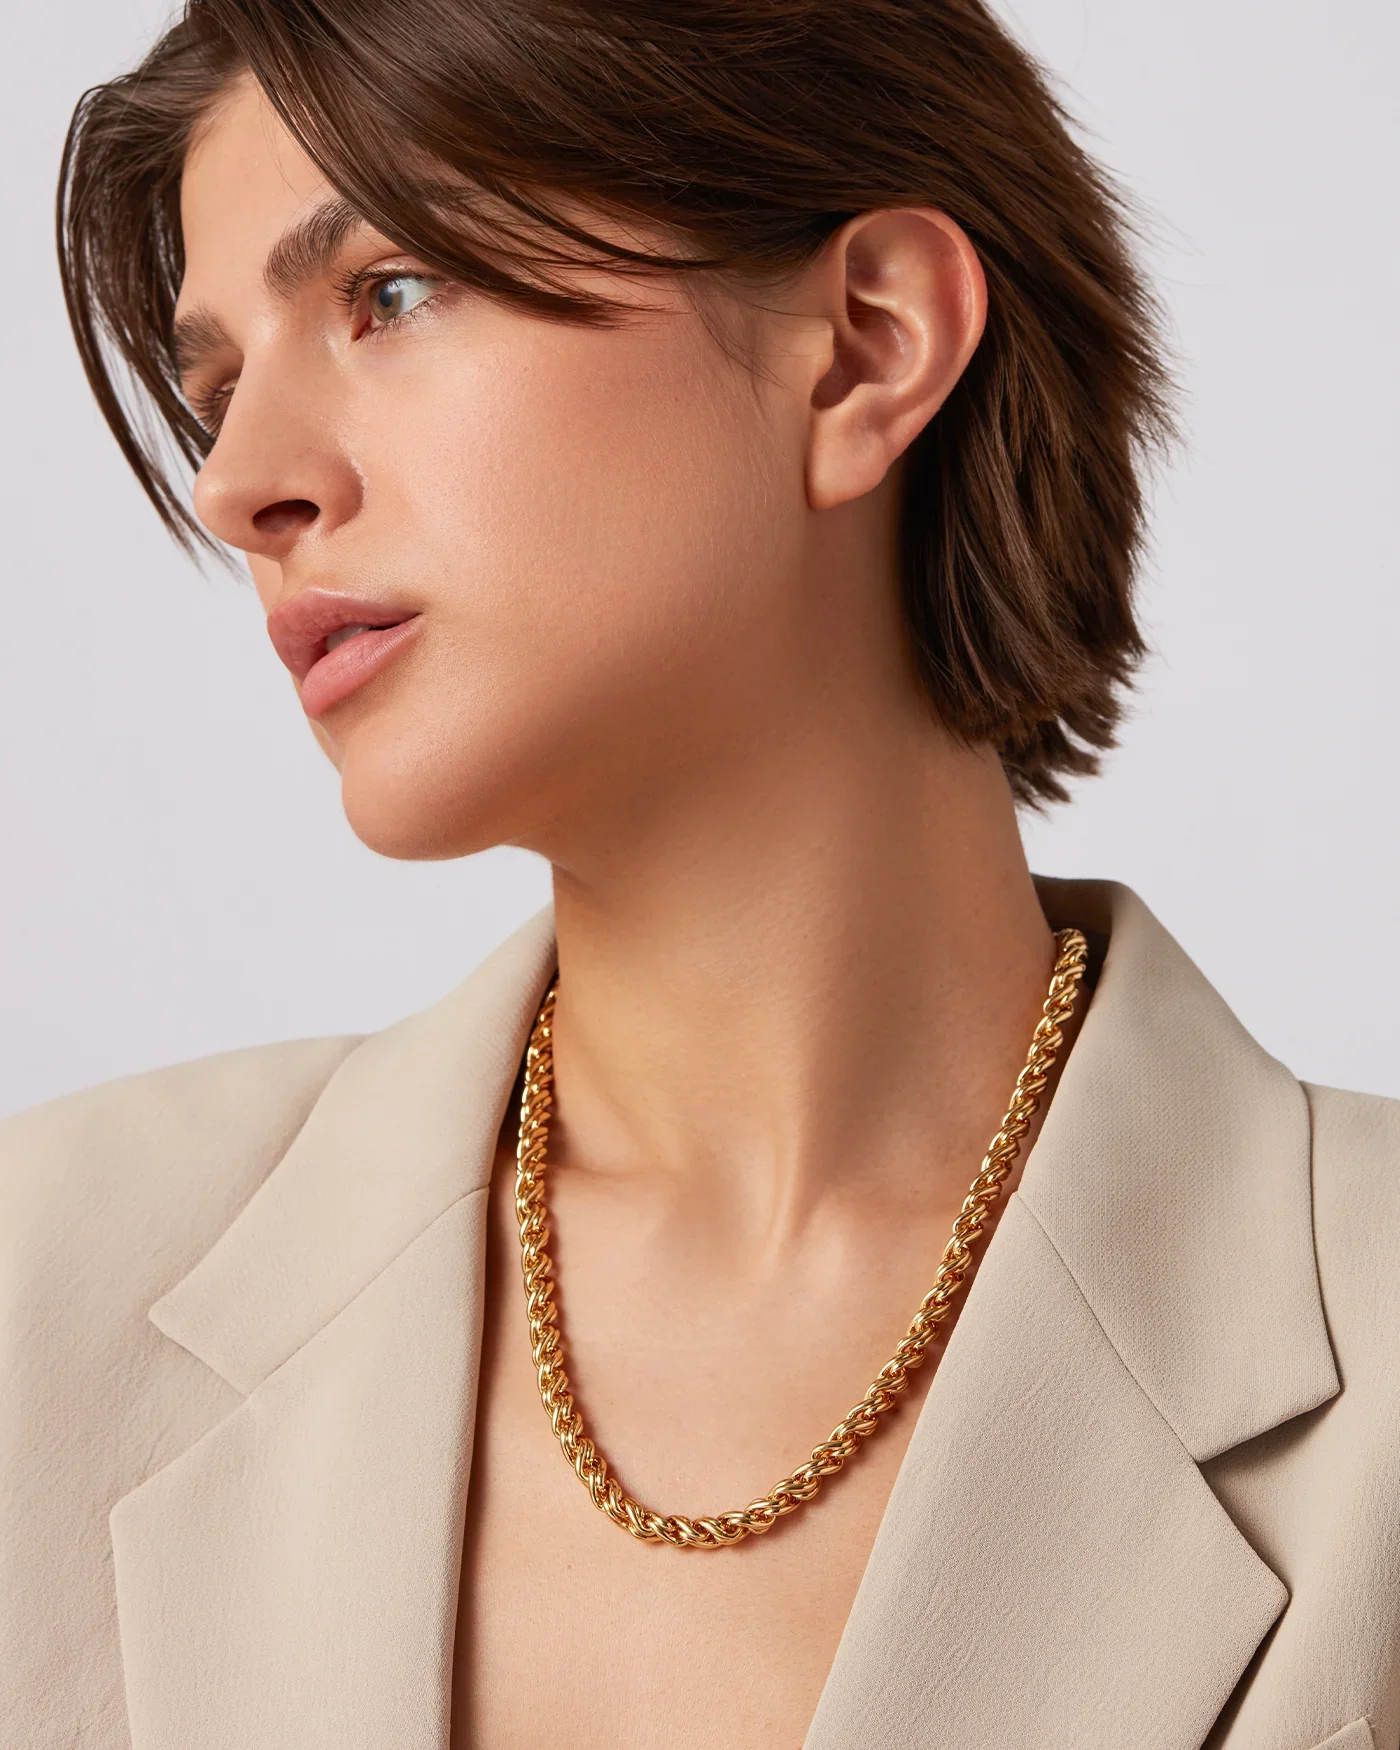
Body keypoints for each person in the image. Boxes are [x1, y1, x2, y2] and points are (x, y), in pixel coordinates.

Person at [4, 0, 1395, 1745]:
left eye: (391, 292)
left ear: (867, 345)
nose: (239, 486)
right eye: (216, 388)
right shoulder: (42, 1283)